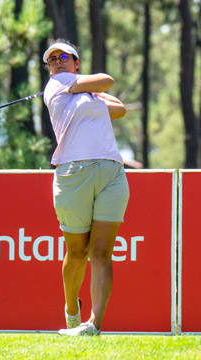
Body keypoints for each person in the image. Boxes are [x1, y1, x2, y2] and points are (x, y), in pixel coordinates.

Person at [42, 38, 129, 336]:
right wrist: (89, 88)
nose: (56, 61)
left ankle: (94, 326)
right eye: (51, 60)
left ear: (76, 62)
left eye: (63, 56)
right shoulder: (56, 86)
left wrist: (87, 90)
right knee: (77, 253)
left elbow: (120, 109)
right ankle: (71, 311)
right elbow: (108, 80)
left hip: (111, 172)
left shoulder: (84, 92)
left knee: (102, 252)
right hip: (73, 173)